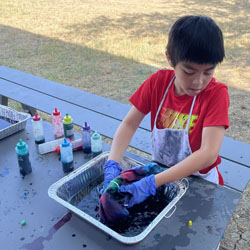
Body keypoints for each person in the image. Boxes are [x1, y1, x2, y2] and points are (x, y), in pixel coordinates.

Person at [102, 15, 229, 209]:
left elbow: (208, 154)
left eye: (208, 72)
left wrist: (152, 182)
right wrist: (112, 163)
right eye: (189, 71)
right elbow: (129, 124)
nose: (198, 82)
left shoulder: (216, 94)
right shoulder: (158, 83)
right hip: (162, 176)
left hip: (200, 185)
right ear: (170, 59)